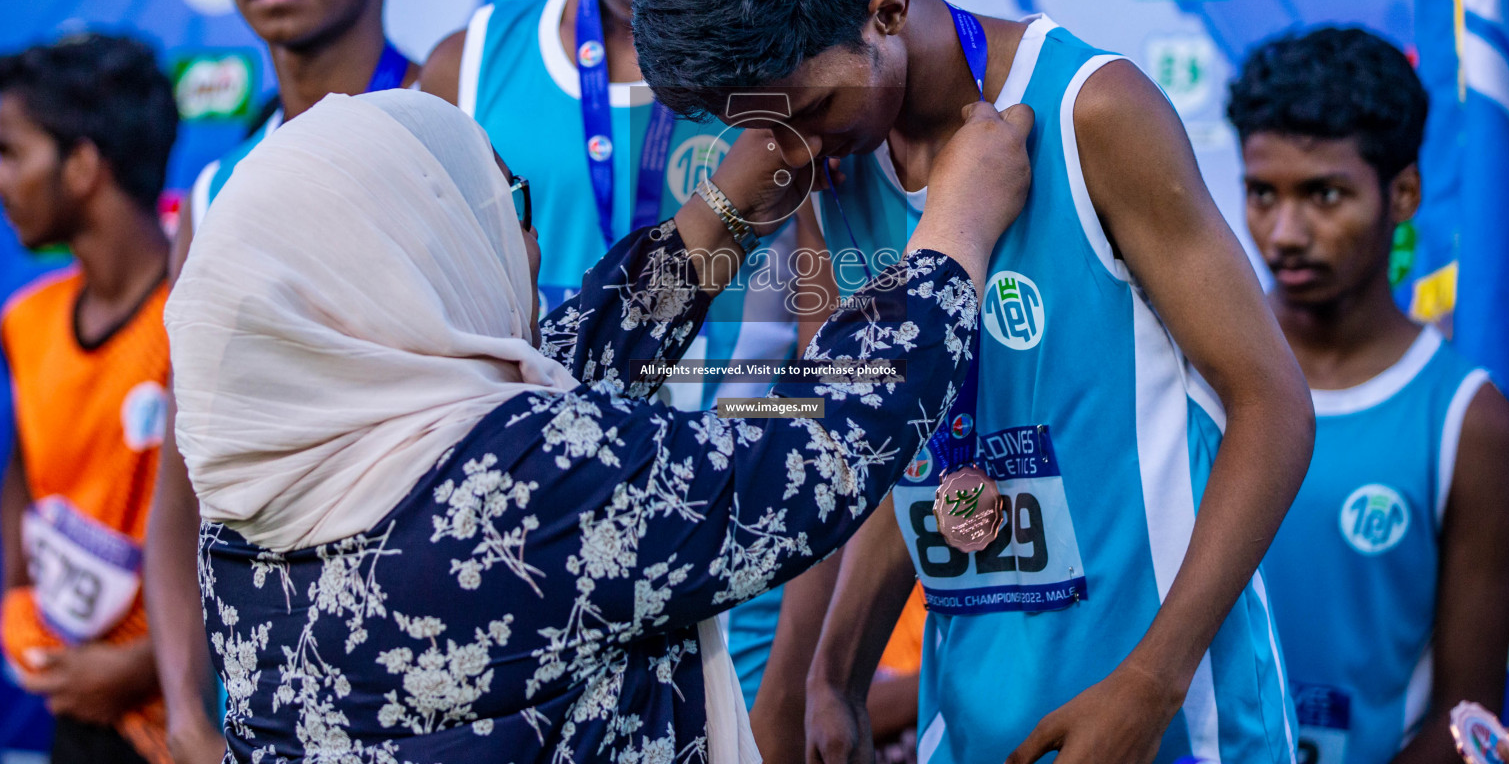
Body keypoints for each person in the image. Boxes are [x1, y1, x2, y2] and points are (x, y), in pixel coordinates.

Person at [631, 0, 1316, 764]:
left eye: (811, 111)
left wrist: (1152, 681)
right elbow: (892, 447)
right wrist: (835, 672)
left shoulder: (1090, 114)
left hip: (1173, 721)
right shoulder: (828, 173)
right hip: (974, 727)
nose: (793, 152)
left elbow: (1272, 406)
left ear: (887, 11)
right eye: (764, 129)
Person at [165, 88, 1034, 763]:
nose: (531, 253)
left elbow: (570, 357)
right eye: (507, 209)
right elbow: (820, 446)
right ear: (410, 268)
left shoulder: (258, 504)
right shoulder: (520, 491)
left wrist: (739, 197)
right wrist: (957, 224)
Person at [414, 0, 832, 733]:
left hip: (752, 602)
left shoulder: (810, 63)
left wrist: (807, 674)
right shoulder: (467, 73)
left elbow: (833, 369)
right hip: (529, 605)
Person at [142, 0, 420, 764]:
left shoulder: (457, 140)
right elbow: (186, 475)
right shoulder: (220, 188)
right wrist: (185, 708)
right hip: (272, 687)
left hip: (436, 666)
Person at [1229, 28, 1509, 764]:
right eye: (1263, 194)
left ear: (1404, 193)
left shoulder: (1468, 421)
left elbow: (1468, 717)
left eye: (1324, 194)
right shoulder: (1195, 368)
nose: (1286, 233)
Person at [0, 35, 180, 764]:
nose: (1, 178)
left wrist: (141, 665)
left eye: (11, 152)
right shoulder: (27, 319)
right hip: (75, 709)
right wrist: (18, 612)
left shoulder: (195, 316)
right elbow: (23, 475)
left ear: (82, 165)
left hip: (189, 714)